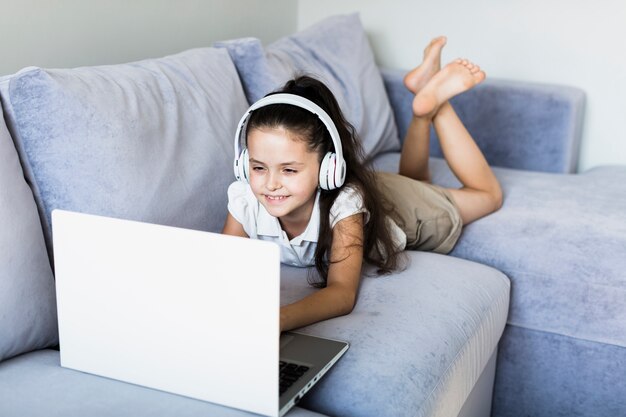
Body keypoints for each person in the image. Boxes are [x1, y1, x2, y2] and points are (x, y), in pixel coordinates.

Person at [222, 36, 502, 332]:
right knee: (416, 181)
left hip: (403, 209)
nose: (271, 184)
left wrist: (277, 320)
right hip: (380, 191)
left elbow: (342, 294)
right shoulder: (245, 199)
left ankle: (438, 107)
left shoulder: (344, 206)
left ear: (329, 167)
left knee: (487, 195)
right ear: (243, 165)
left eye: (289, 170)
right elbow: (222, 267)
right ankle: (422, 106)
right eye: (258, 167)